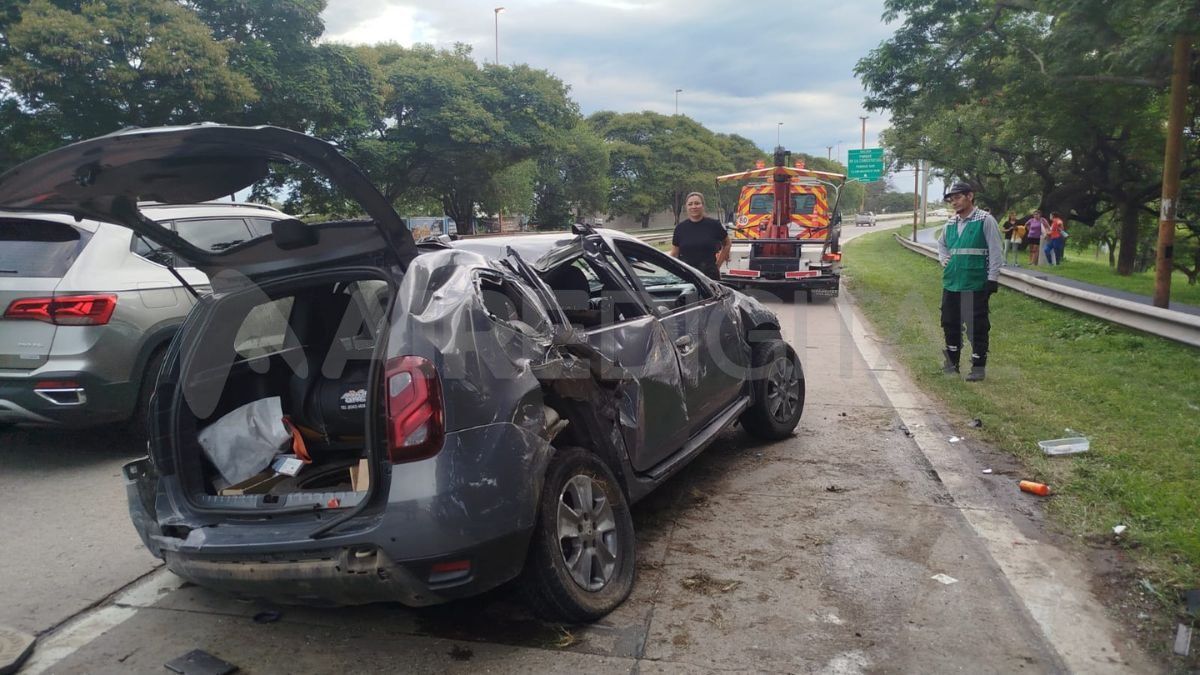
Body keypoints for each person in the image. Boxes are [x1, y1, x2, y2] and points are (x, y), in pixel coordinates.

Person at [937, 182, 1003, 382]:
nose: (954, 202)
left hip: (975, 283)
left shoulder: (985, 220)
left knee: (977, 326)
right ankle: (952, 363)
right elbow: (942, 244)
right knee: (950, 323)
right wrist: (944, 259)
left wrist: (992, 279)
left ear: (970, 196)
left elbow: (995, 250)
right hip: (952, 283)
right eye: (951, 199)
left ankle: (978, 367)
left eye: (957, 197)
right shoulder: (950, 223)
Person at [670, 192, 729, 280]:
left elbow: (727, 244)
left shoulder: (714, 225)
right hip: (686, 277)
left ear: (703, 205)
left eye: (697, 203)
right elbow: (674, 253)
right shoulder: (680, 228)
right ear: (686, 207)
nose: (694, 207)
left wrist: (718, 265)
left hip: (709, 277)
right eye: (690, 204)